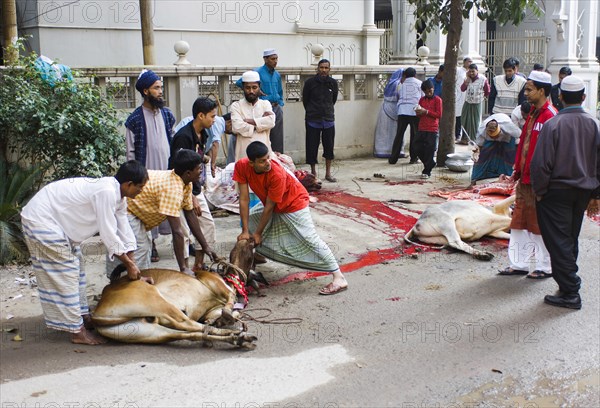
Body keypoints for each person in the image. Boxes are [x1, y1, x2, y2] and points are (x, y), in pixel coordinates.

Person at [21, 160, 150, 345]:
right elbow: (108, 233)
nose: (141, 191)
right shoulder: (106, 192)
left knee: (77, 266)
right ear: (128, 184)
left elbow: (124, 230)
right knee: (67, 273)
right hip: (41, 220)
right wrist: (129, 265)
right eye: (140, 187)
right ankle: (77, 331)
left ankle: (81, 316)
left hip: (56, 224)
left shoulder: (119, 197)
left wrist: (134, 268)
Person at [233, 141, 348, 295]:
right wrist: (246, 230)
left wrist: (258, 234)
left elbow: (269, 207)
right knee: (253, 218)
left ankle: (338, 277)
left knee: (309, 238)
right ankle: (257, 256)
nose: (268, 163)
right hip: (272, 201)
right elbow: (244, 199)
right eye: (262, 161)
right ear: (251, 162)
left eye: (268, 158)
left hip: (294, 203)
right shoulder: (241, 166)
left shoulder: (276, 173)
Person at [531, 75, 600, 310]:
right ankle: (566, 284)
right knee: (569, 238)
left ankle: (571, 291)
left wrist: (539, 191)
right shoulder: (594, 123)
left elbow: (540, 164)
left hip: (556, 191)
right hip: (582, 191)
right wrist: (596, 195)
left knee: (559, 242)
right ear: (583, 97)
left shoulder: (554, 124)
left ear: (560, 97)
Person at [108, 149, 218, 276]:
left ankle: (134, 279)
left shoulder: (186, 183)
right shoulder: (173, 190)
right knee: (139, 248)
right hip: (127, 208)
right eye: (199, 169)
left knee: (143, 248)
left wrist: (205, 246)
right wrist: (183, 268)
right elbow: (177, 232)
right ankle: (127, 282)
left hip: (138, 211)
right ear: (188, 173)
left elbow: (190, 215)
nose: (201, 172)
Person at [498, 70, 557, 279]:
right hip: (524, 180)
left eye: (530, 89)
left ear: (542, 91)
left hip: (539, 182)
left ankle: (545, 266)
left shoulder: (551, 116)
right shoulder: (532, 112)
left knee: (538, 225)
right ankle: (519, 264)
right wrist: (516, 171)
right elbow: (524, 145)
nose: (526, 93)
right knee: (519, 222)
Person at [125, 69, 176, 263]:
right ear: (145, 91)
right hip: (146, 171)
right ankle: (151, 243)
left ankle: (179, 241)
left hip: (166, 170)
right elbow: (130, 151)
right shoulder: (134, 119)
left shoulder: (167, 114)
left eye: (161, 87)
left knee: (170, 203)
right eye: (156, 88)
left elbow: (173, 140)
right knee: (148, 207)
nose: (160, 91)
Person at [169, 97, 218, 272]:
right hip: (178, 189)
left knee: (207, 223)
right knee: (182, 232)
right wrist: (190, 197)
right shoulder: (183, 137)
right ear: (200, 115)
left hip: (194, 188)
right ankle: (185, 268)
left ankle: (199, 263)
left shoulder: (203, 134)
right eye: (212, 116)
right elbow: (177, 170)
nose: (214, 120)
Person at [236, 49, 284, 153]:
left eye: (276, 59)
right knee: (262, 135)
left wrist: (280, 102)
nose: (275, 61)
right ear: (265, 59)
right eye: (272, 59)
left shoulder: (277, 74)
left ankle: (277, 161)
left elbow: (280, 90)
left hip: (276, 108)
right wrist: (256, 91)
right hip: (262, 108)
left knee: (277, 137)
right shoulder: (257, 72)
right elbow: (240, 82)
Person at [302, 59, 339, 182]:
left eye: (326, 68)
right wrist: (312, 111)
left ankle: (328, 173)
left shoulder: (333, 83)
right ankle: (313, 173)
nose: (323, 70)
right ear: (318, 69)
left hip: (328, 119)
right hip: (313, 119)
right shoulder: (310, 83)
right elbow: (305, 100)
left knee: (329, 146)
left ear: (329, 69)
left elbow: (333, 99)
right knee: (312, 147)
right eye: (321, 67)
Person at [231, 71, 276, 161]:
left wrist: (249, 121)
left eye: (254, 87)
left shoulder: (265, 104)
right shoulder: (236, 106)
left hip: (265, 155)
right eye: (248, 88)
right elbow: (237, 127)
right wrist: (260, 123)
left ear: (259, 87)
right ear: (243, 88)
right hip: (244, 155)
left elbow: (271, 122)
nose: (251, 91)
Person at [470, 113, 520, 184]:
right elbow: (479, 147)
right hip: (489, 141)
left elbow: (520, 138)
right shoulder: (482, 130)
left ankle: (509, 177)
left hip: (507, 138)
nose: (495, 138)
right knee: (484, 156)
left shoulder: (509, 127)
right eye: (492, 136)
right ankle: (477, 177)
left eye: (496, 135)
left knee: (509, 156)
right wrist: (477, 155)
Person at [389, 67, 423, 165]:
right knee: (415, 135)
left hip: (402, 111)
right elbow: (422, 96)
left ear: (405, 75)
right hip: (414, 111)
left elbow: (399, 95)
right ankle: (413, 158)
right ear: (415, 75)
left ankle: (393, 159)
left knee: (399, 135)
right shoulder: (419, 83)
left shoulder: (400, 84)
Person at [414, 80, 442, 179]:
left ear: (433, 89)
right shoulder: (422, 100)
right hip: (422, 127)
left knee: (430, 150)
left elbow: (438, 114)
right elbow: (418, 114)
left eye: (430, 90)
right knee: (416, 147)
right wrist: (418, 112)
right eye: (426, 92)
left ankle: (427, 170)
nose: (429, 93)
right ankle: (430, 163)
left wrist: (426, 112)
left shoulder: (438, 100)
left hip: (432, 128)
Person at [374, 68, 403, 158]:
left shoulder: (390, 84)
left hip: (385, 109)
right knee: (394, 131)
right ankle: (395, 151)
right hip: (394, 108)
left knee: (384, 131)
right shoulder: (399, 84)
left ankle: (381, 150)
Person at [458, 63, 490, 144]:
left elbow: (487, 90)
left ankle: (474, 139)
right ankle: (465, 138)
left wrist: (484, 96)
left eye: (473, 71)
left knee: (475, 122)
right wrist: (467, 80)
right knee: (465, 119)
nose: (471, 73)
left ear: (477, 71)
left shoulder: (483, 79)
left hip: (477, 103)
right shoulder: (467, 78)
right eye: (470, 71)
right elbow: (462, 89)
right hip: (468, 102)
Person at [455, 56, 473, 142]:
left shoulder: (472, 72)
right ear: (464, 62)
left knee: (466, 116)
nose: (470, 63)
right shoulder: (459, 70)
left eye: (471, 62)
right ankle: (457, 134)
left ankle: (466, 136)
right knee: (458, 115)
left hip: (468, 97)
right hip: (459, 95)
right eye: (469, 61)